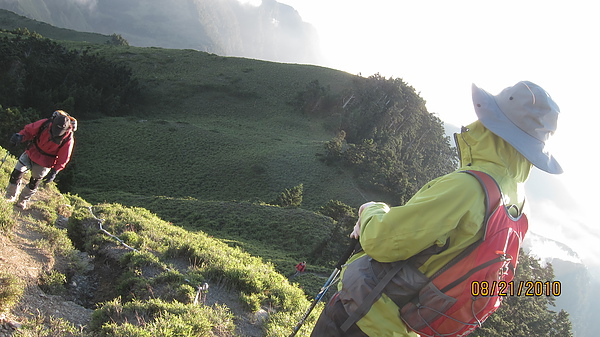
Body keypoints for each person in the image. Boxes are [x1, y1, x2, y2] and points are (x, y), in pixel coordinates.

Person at [310, 81, 562, 337]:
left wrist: (371, 210)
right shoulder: (517, 201)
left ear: (493, 122)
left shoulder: (468, 187)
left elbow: (383, 241)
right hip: (410, 325)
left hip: (366, 317)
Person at [5, 110, 76, 210]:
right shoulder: (45, 124)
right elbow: (29, 131)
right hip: (31, 152)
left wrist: (55, 171)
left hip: (45, 162)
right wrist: (20, 137)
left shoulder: (68, 139)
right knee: (16, 173)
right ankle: (10, 196)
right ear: (53, 123)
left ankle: (22, 201)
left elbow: (64, 157)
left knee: (34, 182)